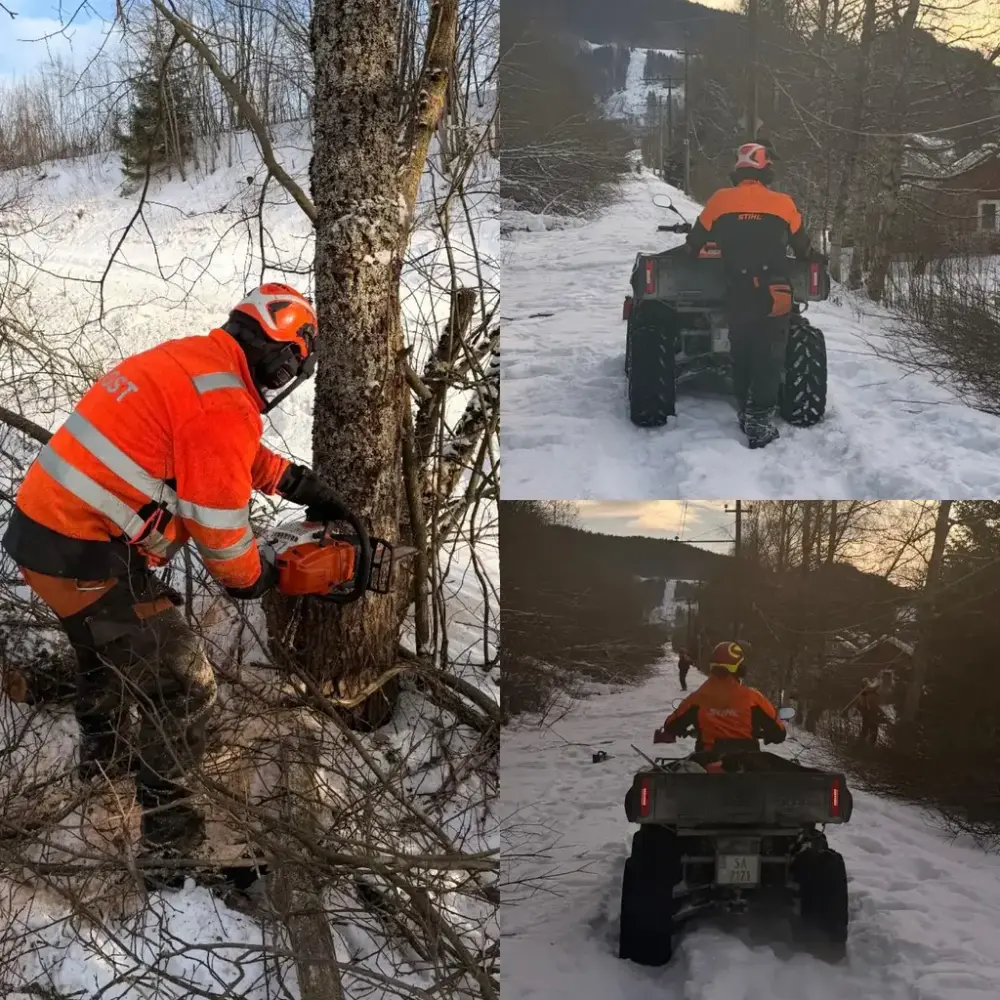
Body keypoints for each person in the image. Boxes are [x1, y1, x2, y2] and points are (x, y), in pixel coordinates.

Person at [2, 282, 347, 863]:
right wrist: (253, 578)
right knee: (185, 683)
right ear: (283, 356)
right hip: (82, 553)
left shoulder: (196, 360)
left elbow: (220, 447)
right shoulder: (223, 404)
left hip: (45, 533)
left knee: (106, 647)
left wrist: (291, 481)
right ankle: (170, 851)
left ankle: (104, 764)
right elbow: (220, 530)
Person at [685, 141, 821, 449]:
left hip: (738, 291)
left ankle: (746, 413)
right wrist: (814, 257)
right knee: (769, 356)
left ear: (739, 169)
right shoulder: (784, 204)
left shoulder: (720, 200)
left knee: (742, 353)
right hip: (775, 292)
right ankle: (759, 420)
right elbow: (802, 249)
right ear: (766, 169)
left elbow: (694, 244)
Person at [656, 640, 786, 753]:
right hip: (747, 764)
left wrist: (682, 730)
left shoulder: (697, 698)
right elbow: (779, 732)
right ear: (739, 669)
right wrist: (767, 734)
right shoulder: (753, 699)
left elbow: (670, 725)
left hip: (706, 762)